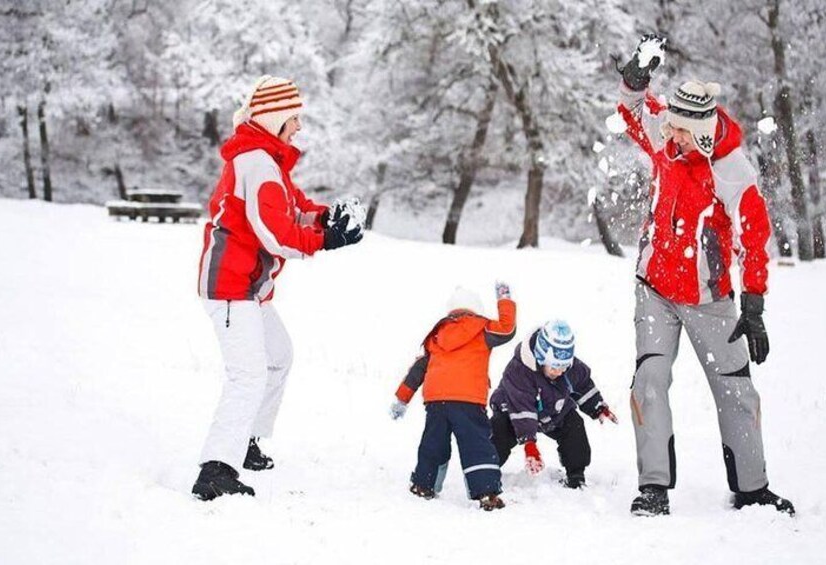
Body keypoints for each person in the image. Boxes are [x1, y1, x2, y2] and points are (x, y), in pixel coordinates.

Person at [615, 35, 794, 516]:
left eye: (679, 132)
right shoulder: (668, 141)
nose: (669, 138)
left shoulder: (730, 168)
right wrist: (635, 78)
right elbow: (635, 110)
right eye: (669, 129)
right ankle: (654, 488)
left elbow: (755, 235)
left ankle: (752, 488)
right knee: (648, 381)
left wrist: (753, 302)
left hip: (709, 297)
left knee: (736, 389)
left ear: (704, 132)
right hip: (654, 288)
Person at [192, 75, 363, 501]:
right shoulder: (257, 163)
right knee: (247, 375)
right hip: (230, 284)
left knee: (278, 357)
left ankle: (244, 441)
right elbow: (278, 235)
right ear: (274, 120)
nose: (299, 127)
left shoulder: (268, 161)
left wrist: (328, 218)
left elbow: (296, 209)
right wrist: (328, 241)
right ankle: (215, 470)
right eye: (294, 119)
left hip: (249, 287)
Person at [389, 283, 516, 511]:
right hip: (467, 399)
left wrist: (402, 399)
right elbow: (507, 329)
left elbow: (418, 369)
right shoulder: (482, 329)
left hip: (436, 400)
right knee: (476, 444)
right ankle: (486, 492)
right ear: (476, 309)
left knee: (433, 442)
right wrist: (504, 298)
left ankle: (423, 484)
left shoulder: (437, 335)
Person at [489, 320, 617, 489]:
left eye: (564, 367)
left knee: (574, 425)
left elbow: (583, 384)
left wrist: (598, 407)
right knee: (499, 431)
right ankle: (486, 471)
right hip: (513, 411)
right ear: (541, 358)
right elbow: (522, 409)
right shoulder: (519, 370)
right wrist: (529, 444)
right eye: (554, 368)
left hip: (552, 410)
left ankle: (576, 475)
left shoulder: (569, 368)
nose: (559, 372)